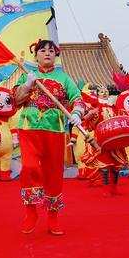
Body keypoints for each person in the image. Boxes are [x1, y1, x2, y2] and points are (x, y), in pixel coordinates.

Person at [13, 39, 86, 235]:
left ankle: (53, 218)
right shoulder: (27, 75)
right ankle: (31, 212)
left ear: (56, 55)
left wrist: (77, 113)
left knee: (53, 174)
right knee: (29, 167)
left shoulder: (64, 78)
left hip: (55, 130)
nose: (47, 53)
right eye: (43, 50)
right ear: (35, 55)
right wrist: (27, 85)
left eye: (51, 51)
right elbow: (17, 101)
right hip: (29, 128)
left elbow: (77, 99)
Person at [81, 85, 127, 196]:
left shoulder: (114, 106)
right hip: (101, 139)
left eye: (106, 91)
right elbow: (85, 121)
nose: (104, 93)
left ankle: (114, 188)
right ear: (97, 94)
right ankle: (106, 189)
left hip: (115, 139)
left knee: (116, 164)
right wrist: (91, 113)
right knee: (104, 164)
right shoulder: (95, 107)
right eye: (101, 92)